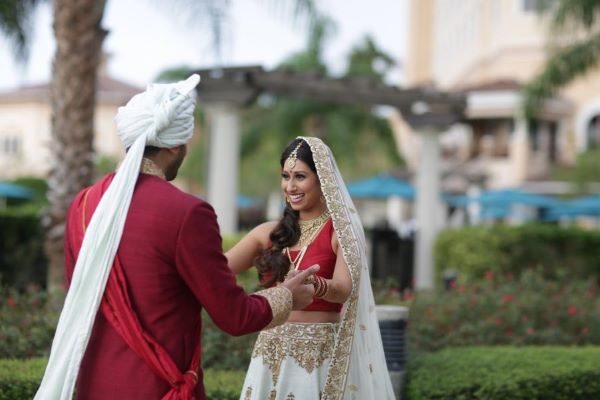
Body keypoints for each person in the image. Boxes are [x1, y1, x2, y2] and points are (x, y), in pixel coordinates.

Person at [34, 75, 317, 400]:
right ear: (173, 145)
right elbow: (234, 316)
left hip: (92, 386)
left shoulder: (82, 205)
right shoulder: (187, 212)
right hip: (157, 387)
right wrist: (287, 296)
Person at [227, 137, 396, 399]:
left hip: (317, 360)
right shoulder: (267, 233)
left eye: (300, 176)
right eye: (285, 176)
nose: (290, 186)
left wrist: (315, 285)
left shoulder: (341, 233)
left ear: (323, 179)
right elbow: (216, 269)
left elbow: (343, 290)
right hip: (269, 354)